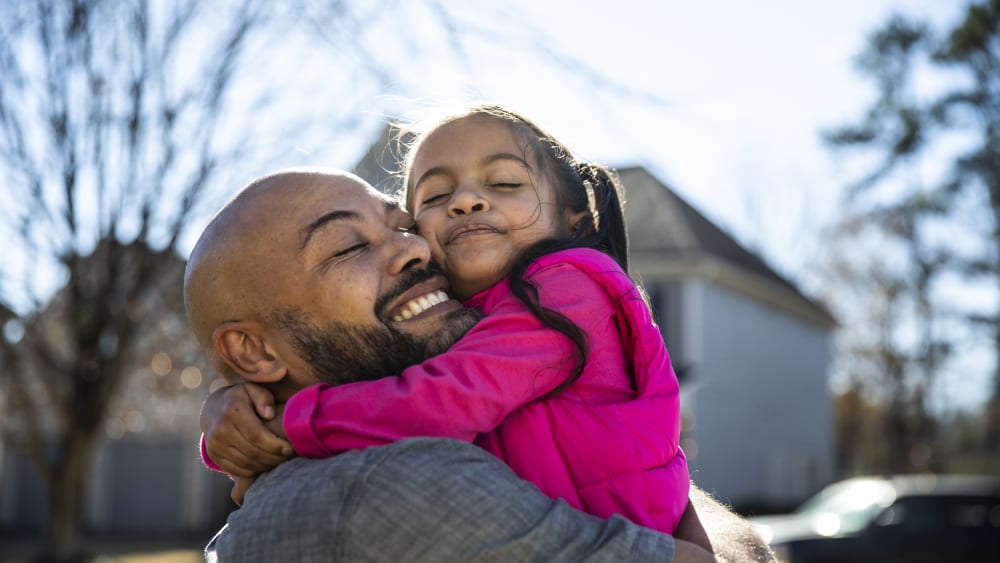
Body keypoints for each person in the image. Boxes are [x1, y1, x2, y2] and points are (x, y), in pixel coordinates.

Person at [185, 169, 772, 562]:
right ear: (254, 354)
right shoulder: (398, 484)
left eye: (401, 224)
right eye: (347, 248)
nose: (416, 247)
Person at [204, 104, 698, 540]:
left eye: (505, 183)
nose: (465, 201)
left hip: (628, 530)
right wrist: (240, 408)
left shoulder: (569, 288)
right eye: (435, 198)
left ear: (574, 217)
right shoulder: (469, 316)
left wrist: (289, 423)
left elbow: (444, 399)